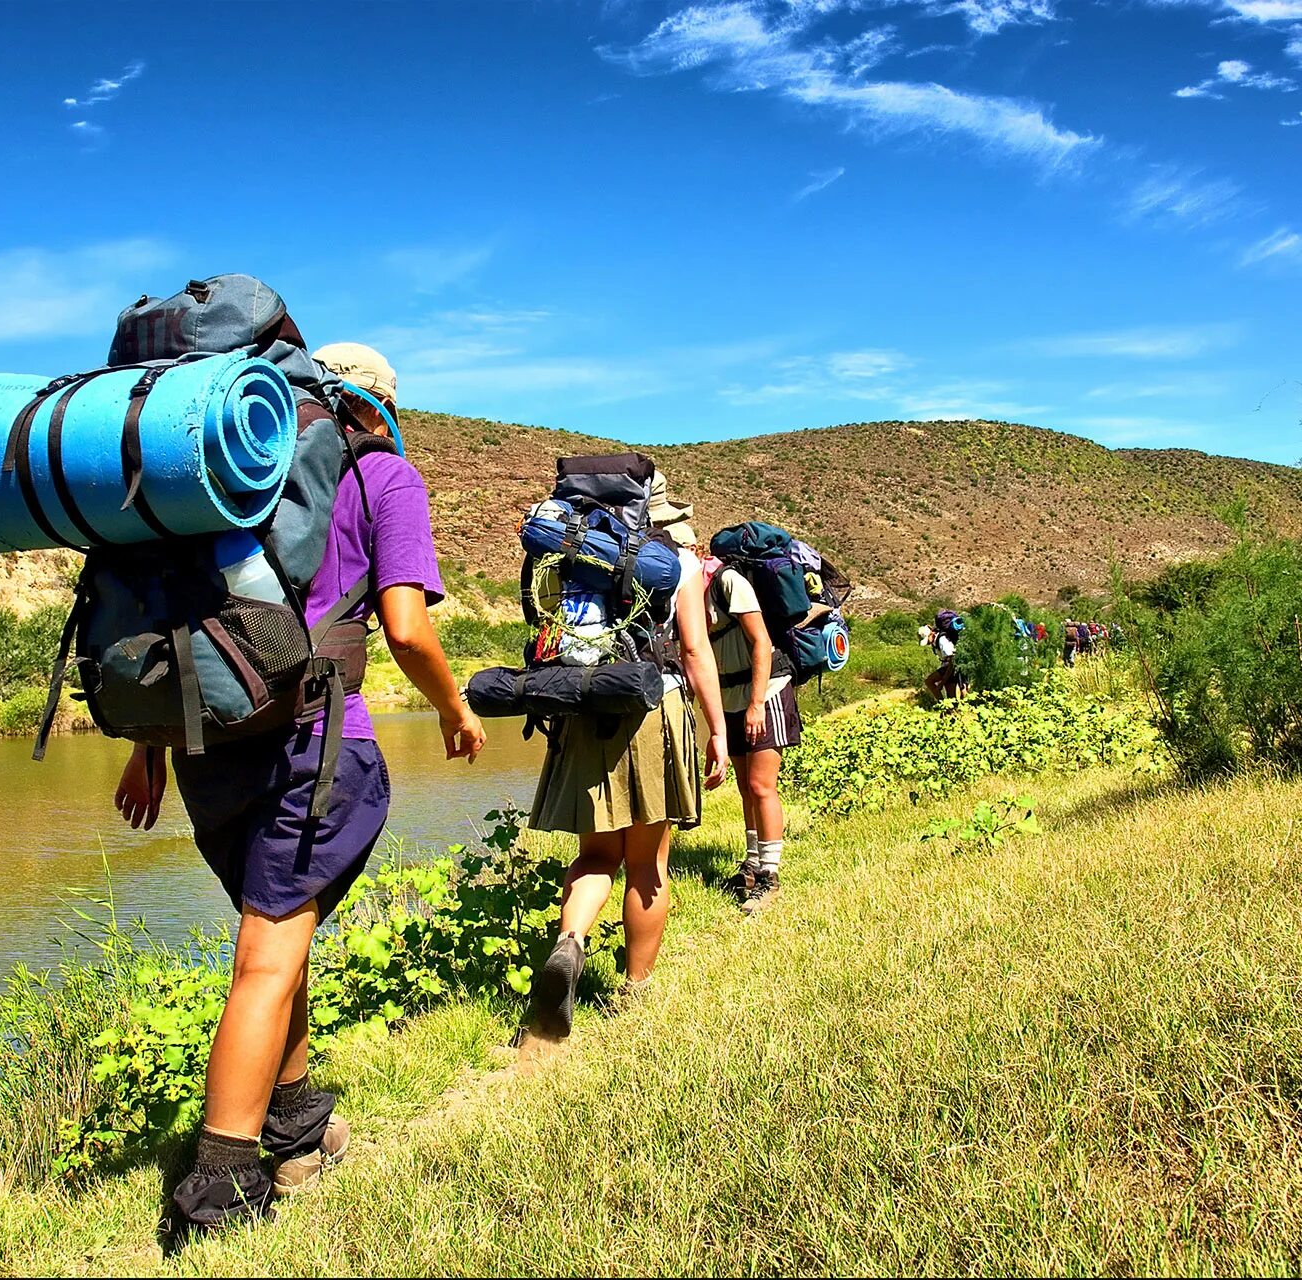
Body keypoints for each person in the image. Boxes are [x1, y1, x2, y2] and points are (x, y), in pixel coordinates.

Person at [113, 342, 487, 1229]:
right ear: (379, 407)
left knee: (284, 941)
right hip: (317, 747)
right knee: (268, 957)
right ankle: (220, 1190)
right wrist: (454, 708)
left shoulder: (220, 477)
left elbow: (172, 627)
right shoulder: (385, 476)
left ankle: (296, 1124)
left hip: (210, 750)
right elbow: (404, 626)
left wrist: (149, 747)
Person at [524, 471, 727, 1037]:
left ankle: (570, 943)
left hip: (583, 707)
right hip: (652, 712)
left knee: (594, 857)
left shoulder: (570, 552)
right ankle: (634, 995)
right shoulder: (679, 564)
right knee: (647, 864)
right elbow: (694, 651)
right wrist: (718, 731)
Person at [707, 548, 800, 914]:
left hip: (766, 692)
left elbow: (761, 642)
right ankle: (751, 866)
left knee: (762, 786)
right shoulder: (689, 592)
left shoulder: (729, 581)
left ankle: (770, 877)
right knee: (745, 787)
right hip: (731, 696)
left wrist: (757, 704)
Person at [923, 614, 960, 702]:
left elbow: (952, 660)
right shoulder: (937, 641)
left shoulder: (942, 640)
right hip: (948, 667)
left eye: (927, 640)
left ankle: (946, 707)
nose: (928, 643)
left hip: (951, 668)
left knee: (952, 696)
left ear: (931, 634)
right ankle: (945, 706)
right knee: (930, 682)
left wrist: (942, 682)